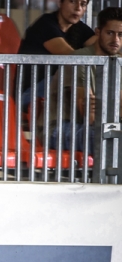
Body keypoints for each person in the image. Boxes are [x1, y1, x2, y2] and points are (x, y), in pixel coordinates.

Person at [48, 7, 122, 155]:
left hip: (98, 126)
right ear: (98, 32)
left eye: (121, 35)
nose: (116, 40)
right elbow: (90, 116)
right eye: (110, 33)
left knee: (109, 133)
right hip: (60, 127)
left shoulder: (118, 61)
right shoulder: (79, 60)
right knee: (104, 135)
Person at [18, 0, 95, 109]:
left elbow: (101, 47)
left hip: (55, 90)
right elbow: (70, 56)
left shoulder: (79, 28)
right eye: (72, 2)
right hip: (29, 94)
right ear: (60, 2)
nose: (78, 8)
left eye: (83, 4)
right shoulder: (45, 24)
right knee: (74, 78)